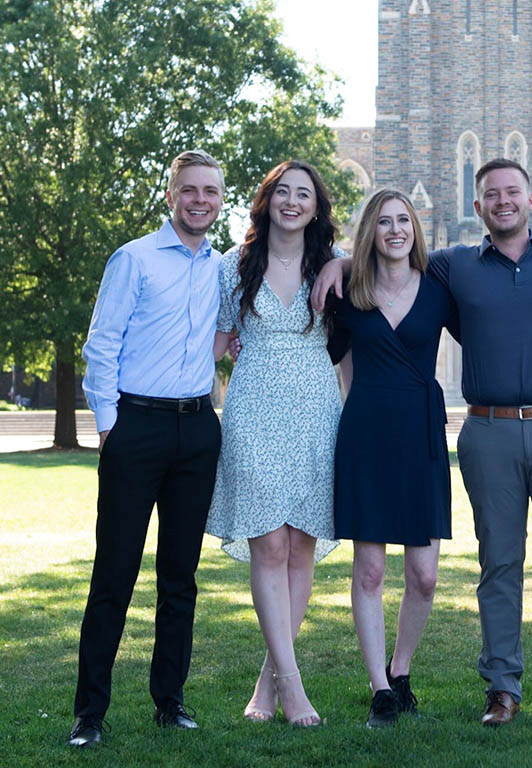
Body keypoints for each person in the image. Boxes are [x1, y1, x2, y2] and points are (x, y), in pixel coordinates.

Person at [314, 159, 532, 726]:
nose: (503, 201)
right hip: (488, 430)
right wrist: (337, 260)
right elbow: (381, 263)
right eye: (491, 195)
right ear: (477, 206)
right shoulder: (451, 269)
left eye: (513, 192)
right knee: (498, 565)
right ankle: (501, 690)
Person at [72, 150, 225, 747]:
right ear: (170, 196)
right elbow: (101, 345)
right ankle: (89, 714)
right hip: (135, 428)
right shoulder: (132, 259)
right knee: (114, 573)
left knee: (179, 577)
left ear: (219, 200)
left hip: (196, 431)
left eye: (210, 191)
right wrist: (110, 426)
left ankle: (171, 701)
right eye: (189, 189)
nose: (199, 200)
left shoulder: (224, 269)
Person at [204, 160, 342, 727]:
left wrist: (347, 258)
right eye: (282, 191)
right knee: (270, 546)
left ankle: (268, 682)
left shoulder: (331, 266)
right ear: (266, 200)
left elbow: (386, 272)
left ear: (316, 206)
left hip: (315, 408)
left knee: (300, 546)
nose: (291, 201)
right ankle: (294, 685)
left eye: (303, 194)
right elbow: (211, 341)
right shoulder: (236, 266)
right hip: (255, 407)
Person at [328, 189, 455, 728]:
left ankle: (402, 672)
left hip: (421, 434)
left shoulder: (439, 290)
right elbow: (327, 359)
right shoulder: (348, 291)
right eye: (384, 222)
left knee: (424, 574)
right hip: (367, 434)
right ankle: (379, 686)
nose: (396, 230)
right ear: (371, 233)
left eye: (404, 221)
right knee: (372, 567)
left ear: (415, 230)